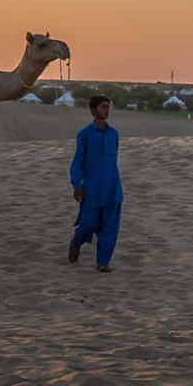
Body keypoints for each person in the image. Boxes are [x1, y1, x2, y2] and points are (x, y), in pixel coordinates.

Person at [68, 95, 124, 272]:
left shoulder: (114, 134)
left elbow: (112, 160)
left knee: (109, 228)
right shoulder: (85, 134)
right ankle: (75, 243)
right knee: (87, 224)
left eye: (108, 107)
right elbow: (77, 162)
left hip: (112, 188)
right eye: (102, 107)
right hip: (92, 188)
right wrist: (77, 185)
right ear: (93, 110)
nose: (106, 110)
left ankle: (103, 262)